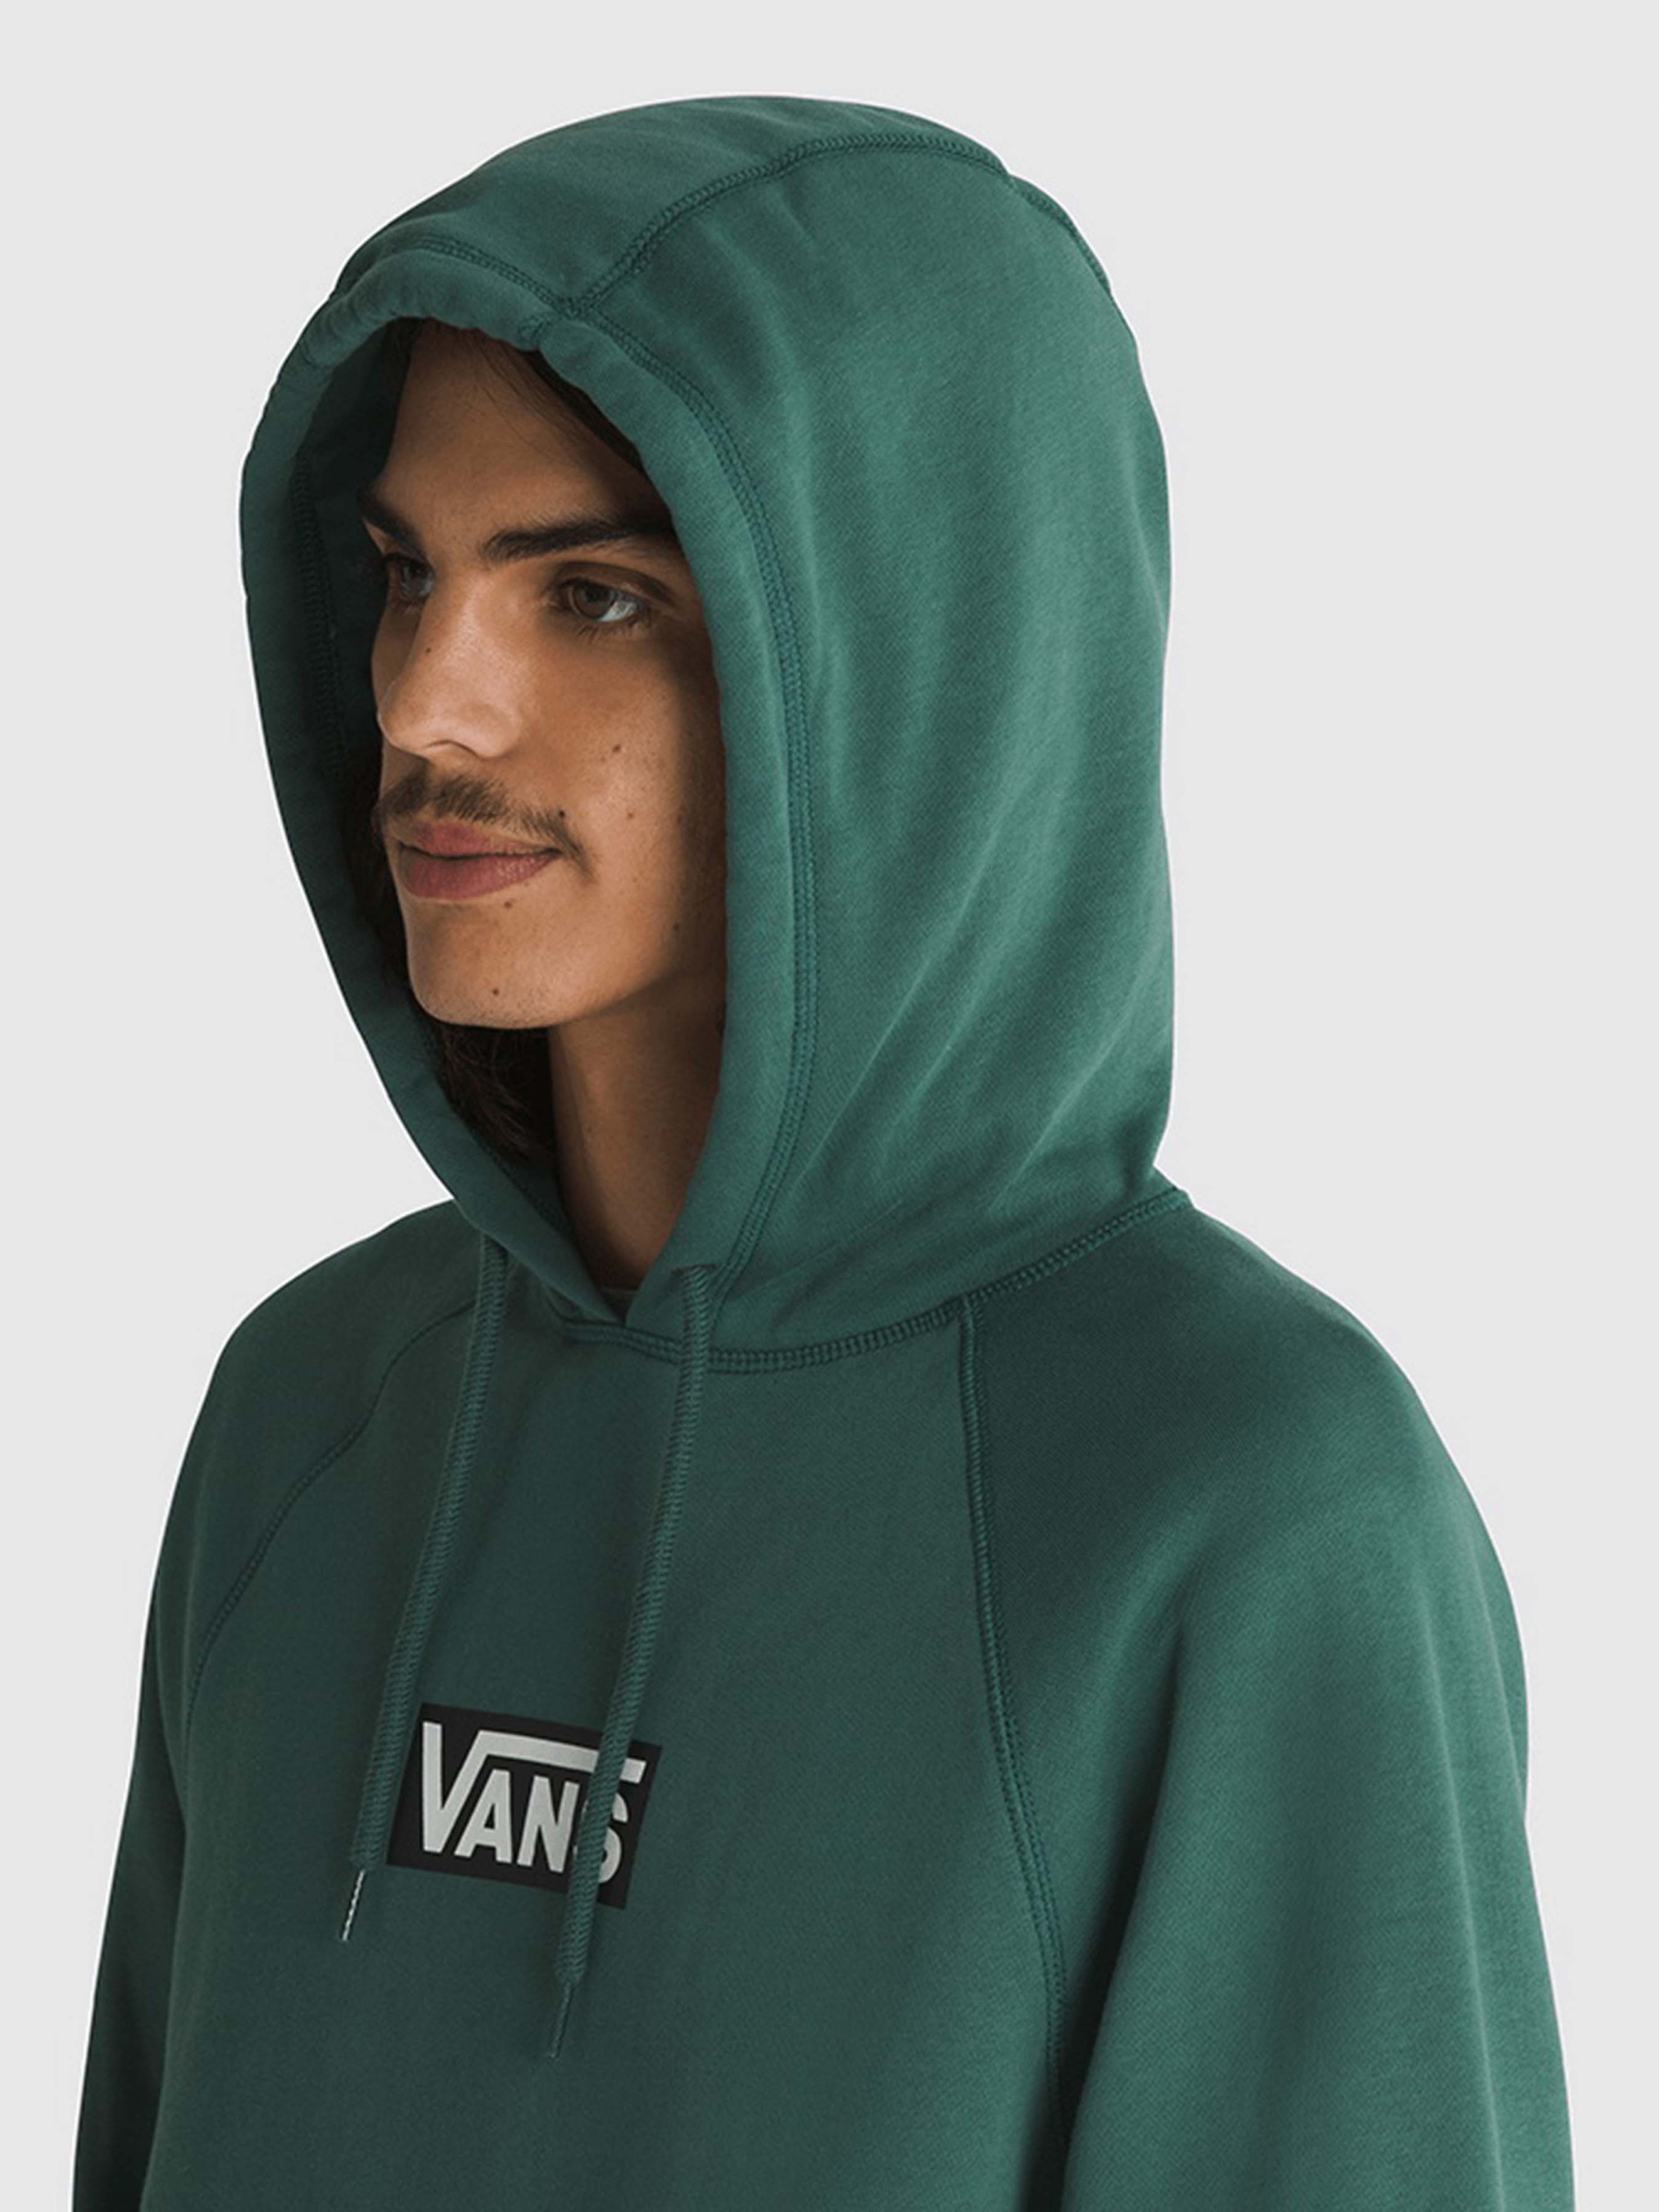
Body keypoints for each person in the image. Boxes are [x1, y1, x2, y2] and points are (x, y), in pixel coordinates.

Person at [73, 93, 1575, 2210]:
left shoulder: (1252, 1520)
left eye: (590, 594)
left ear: (918, 654)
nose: (425, 705)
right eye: (406, 574)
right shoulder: (310, 1417)